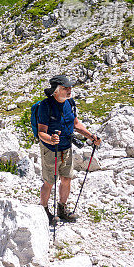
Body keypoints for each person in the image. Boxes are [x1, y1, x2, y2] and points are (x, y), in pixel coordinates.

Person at [36, 74, 101, 224]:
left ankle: (62, 209)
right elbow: (41, 132)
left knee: (66, 178)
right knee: (49, 181)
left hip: (66, 146)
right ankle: (43, 210)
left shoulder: (70, 103)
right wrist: (51, 140)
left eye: (70, 87)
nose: (69, 90)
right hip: (50, 149)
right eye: (66, 88)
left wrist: (91, 136)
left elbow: (76, 124)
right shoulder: (45, 106)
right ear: (56, 91)